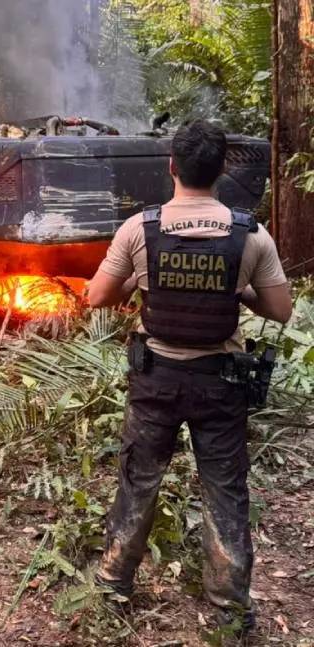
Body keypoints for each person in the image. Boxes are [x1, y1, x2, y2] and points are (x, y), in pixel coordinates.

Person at [87, 119, 292, 635]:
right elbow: (281, 310)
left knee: (139, 480)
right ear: (222, 170)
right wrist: (235, 291)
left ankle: (113, 584)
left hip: (155, 380)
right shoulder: (251, 234)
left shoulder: (140, 229)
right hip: (221, 383)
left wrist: (140, 277)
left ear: (171, 166)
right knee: (224, 490)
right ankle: (229, 610)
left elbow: (96, 298)